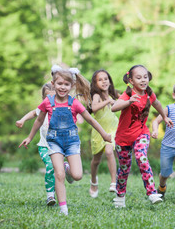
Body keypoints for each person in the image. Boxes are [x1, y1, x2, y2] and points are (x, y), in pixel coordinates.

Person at [19, 67, 112, 216]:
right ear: (53, 84)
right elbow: (38, 120)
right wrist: (30, 137)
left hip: (72, 142)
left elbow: (90, 119)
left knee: (77, 175)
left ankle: (68, 168)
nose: (63, 87)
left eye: (66, 84)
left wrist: (104, 134)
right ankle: (63, 208)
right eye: (60, 83)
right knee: (59, 174)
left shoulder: (74, 103)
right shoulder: (47, 102)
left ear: (72, 86)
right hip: (54, 141)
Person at [111, 65, 173, 208]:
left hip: (141, 133)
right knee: (124, 168)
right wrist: (128, 102)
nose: (143, 80)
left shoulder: (149, 94)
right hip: (123, 137)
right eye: (139, 78)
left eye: (145, 77)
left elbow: (157, 104)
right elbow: (114, 107)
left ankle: (152, 192)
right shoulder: (128, 94)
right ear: (131, 81)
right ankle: (120, 197)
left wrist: (164, 116)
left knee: (141, 156)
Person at [16, 83, 56, 206]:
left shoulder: (61, 108)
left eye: (53, 97)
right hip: (43, 146)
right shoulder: (43, 108)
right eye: (47, 97)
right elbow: (33, 114)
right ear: (43, 98)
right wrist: (22, 120)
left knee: (58, 169)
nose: (50, 100)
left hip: (58, 147)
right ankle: (50, 196)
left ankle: (66, 168)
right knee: (50, 166)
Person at [88, 69, 119, 198]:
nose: (104, 81)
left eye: (106, 78)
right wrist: (107, 102)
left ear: (110, 81)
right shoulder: (97, 96)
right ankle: (93, 181)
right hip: (99, 131)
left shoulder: (114, 94)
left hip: (113, 129)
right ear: (95, 84)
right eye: (100, 80)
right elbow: (94, 108)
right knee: (96, 161)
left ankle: (113, 182)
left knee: (109, 151)